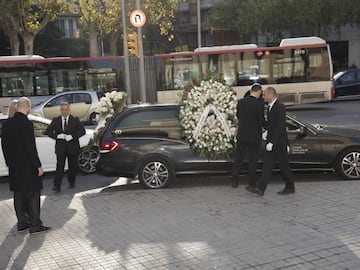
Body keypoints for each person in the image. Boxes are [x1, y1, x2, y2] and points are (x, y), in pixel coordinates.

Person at [1, 97, 50, 234]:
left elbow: (4, 146)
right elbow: (30, 147)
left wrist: (9, 163)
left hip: (14, 166)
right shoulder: (27, 124)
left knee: (19, 194)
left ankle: (22, 222)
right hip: (27, 166)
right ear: (28, 107)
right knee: (33, 194)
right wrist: (38, 165)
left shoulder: (7, 124)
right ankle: (35, 225)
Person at [255, 86, 295, 196]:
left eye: (265, 94)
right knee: (267, 165)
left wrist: (273, 141)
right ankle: (261, 188)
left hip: (279, 143)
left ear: (270, 95)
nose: (263, 96)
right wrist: (267, 132)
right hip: (272, 142)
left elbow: (280, 126)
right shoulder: (270, 107)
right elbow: (272, 125)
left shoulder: (280, 107)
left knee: (284, 167)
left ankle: (290, 186)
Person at [45, 102, 85, 192]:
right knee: (60, 167)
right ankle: (56, 185)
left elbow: (82, 131)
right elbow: (48, 131)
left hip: (72, 147)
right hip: (61, 148)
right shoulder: (56, 120)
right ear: (60, 110)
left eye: (66, 109)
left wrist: (72, 136)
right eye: (62, 109)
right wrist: (57, 136)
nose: (64, 111)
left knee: (72, 166)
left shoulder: (75, 120)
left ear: (69, 110)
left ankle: (71, 182)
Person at [232, 83, 265, 190]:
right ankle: (251, 183)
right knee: (253, 161)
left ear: (251, 90)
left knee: (238, 159)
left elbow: (238, 116)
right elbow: (261, 121)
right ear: (259, 92)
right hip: (254, 137)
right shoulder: (260, 105)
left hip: (242, 135)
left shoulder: (241, 102)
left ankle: (234, 181)